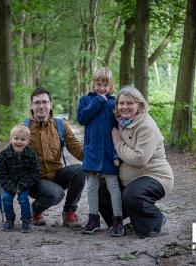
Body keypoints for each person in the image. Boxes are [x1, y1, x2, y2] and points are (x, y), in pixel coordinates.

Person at [0, 87, 86, 228]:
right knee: (56, 194)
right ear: (31, 106)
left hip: (56, 174)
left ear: (51, 104)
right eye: (37, 103)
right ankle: (35, 211)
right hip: (34, 181)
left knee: (80, 170)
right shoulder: (23, 128)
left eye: (45, 102)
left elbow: (78, 150)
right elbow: (8, 156)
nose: (41, 106)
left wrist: (97, 159)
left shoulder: (61, 126)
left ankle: (69, 213)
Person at [100, 86, 174, 238]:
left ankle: (155, 220)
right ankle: (122, 221)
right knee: (102, 190)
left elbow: (139, 159)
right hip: (131, 180)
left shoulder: (146, 125)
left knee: (132, 195)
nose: (124, 107)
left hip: (155, 176)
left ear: (139, 105)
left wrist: (118, 143)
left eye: (130, 103)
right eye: (121, 103)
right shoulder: (121, 122)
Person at [77, 67, 124, 236]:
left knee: (113, 186)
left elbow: (120, 125)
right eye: (98, 83)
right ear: (93, 84)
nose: (102, 87)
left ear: (110, 85)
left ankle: (117, 220)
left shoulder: (114, 103)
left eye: (105, 84)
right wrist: (98, 100)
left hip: (109, 152)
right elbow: (82, 118)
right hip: (91, 151)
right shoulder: (85, 101)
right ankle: (93, 218)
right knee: (91, 187)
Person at [0, 124, 39, 233]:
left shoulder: (31, 154)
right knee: (6, 199)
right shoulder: (4, 154)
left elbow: (34, 173)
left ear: (27, 141)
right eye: (16, 138)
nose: (19, 141)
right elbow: (0, 173)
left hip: (23, 183)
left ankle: (26, 220)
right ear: (11, 139)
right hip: (9, 182)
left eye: (23, 139)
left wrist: (21, 186)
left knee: (23, 199)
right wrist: (10, 187)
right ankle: (10, 219)